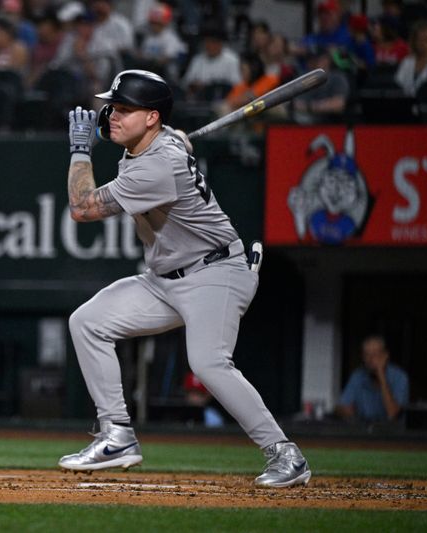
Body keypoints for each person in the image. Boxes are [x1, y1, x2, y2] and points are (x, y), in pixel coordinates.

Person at [58, 69, 311, 488]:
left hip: (215, 273)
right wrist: (168, 136)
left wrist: (80, 150)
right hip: (164, 280)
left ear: (152, 118)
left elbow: (82, 208)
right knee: (88, 322)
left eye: (124, 109)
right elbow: (161, 141)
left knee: (209, 363)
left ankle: (285, 454)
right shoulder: (160, 143)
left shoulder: (158, 165)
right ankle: (117, 434)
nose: (112, 115)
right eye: (113, 106)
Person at [335, 335, 410, 423]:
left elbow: (393, 414)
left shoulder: (400, 377)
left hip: (393, 433)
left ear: (385, 355)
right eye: (367, 355)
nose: (370, 359)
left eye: (375, 354)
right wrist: (345, 411)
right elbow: (339, 407)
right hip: (365, 431)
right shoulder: (358, 376)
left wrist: (381, 375)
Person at [394, 20, 427, 97]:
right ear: (414, 42)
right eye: (419, 39)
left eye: (426, 39)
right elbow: (398, 84)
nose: (422, 43)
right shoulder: (407, 61)